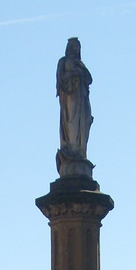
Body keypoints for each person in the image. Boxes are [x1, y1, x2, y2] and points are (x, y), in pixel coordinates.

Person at [56, 37, 93, 173]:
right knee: (71, 125)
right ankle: (71, 151)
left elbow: (90, 79)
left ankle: (80, 153)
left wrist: (80, 71)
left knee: (83, 125)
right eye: (74, 46)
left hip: (82, 101)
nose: (76, 49)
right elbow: (61, 79)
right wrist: (73, 74)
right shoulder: (63, 62)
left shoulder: (80, 64)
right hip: (69, 100)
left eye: (78, 46)